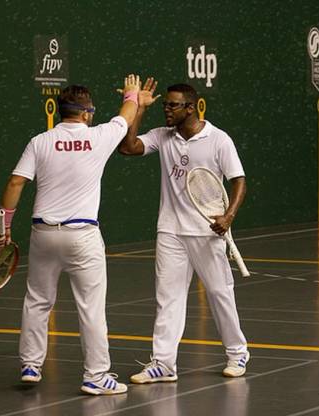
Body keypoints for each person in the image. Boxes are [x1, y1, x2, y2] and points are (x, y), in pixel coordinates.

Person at [0, 75, 141, 395]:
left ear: (61, 111)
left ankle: (31, 365)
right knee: (91, 307)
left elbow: (16, 183)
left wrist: (3, 229)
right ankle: (96, 376)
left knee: (37, 300)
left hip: (43, 234)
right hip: (82, 236)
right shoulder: (101, 135)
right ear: (87, 113)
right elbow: (128, 113)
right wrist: (132, 92)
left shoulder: (40, 141)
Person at [118, 79, 249, 383]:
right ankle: (163, 364)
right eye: (164, 105)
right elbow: (128, 147)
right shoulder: (163, 137)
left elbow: (239, 180)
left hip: (207, 233)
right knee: (168, 298)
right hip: (170, 231)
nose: (166, 110)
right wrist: (138, 107)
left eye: (172, 105)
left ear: (191, 107)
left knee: (220, 294)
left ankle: (237, 352)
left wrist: (229, 216)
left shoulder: (219, 140)